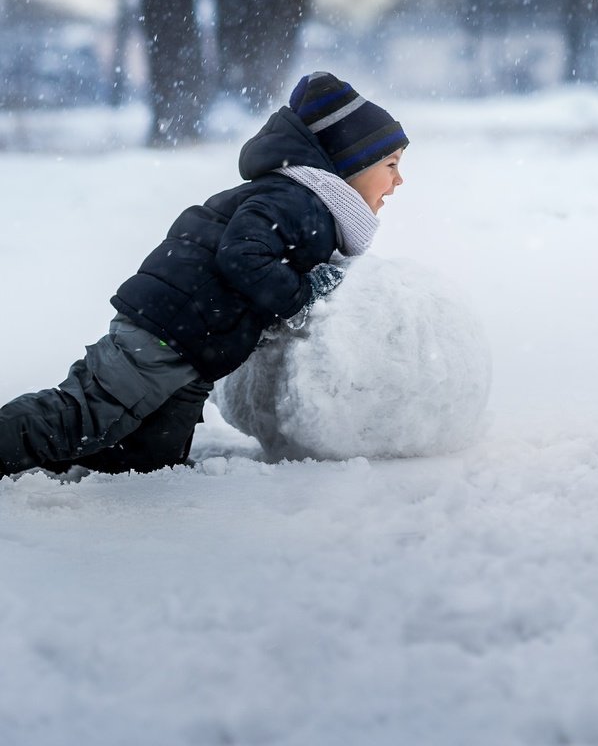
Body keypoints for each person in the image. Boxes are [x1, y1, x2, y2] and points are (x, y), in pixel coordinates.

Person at [0, 72, 408, 478]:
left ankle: (95, 462)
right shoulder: (295, 201)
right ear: (350, 162)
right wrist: (301, 295)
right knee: (84, 416)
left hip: (193, 351)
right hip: (164, 334)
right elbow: (242, 255)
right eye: (390, 164)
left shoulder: (304, 204)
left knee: (149, 457)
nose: (398, 180)